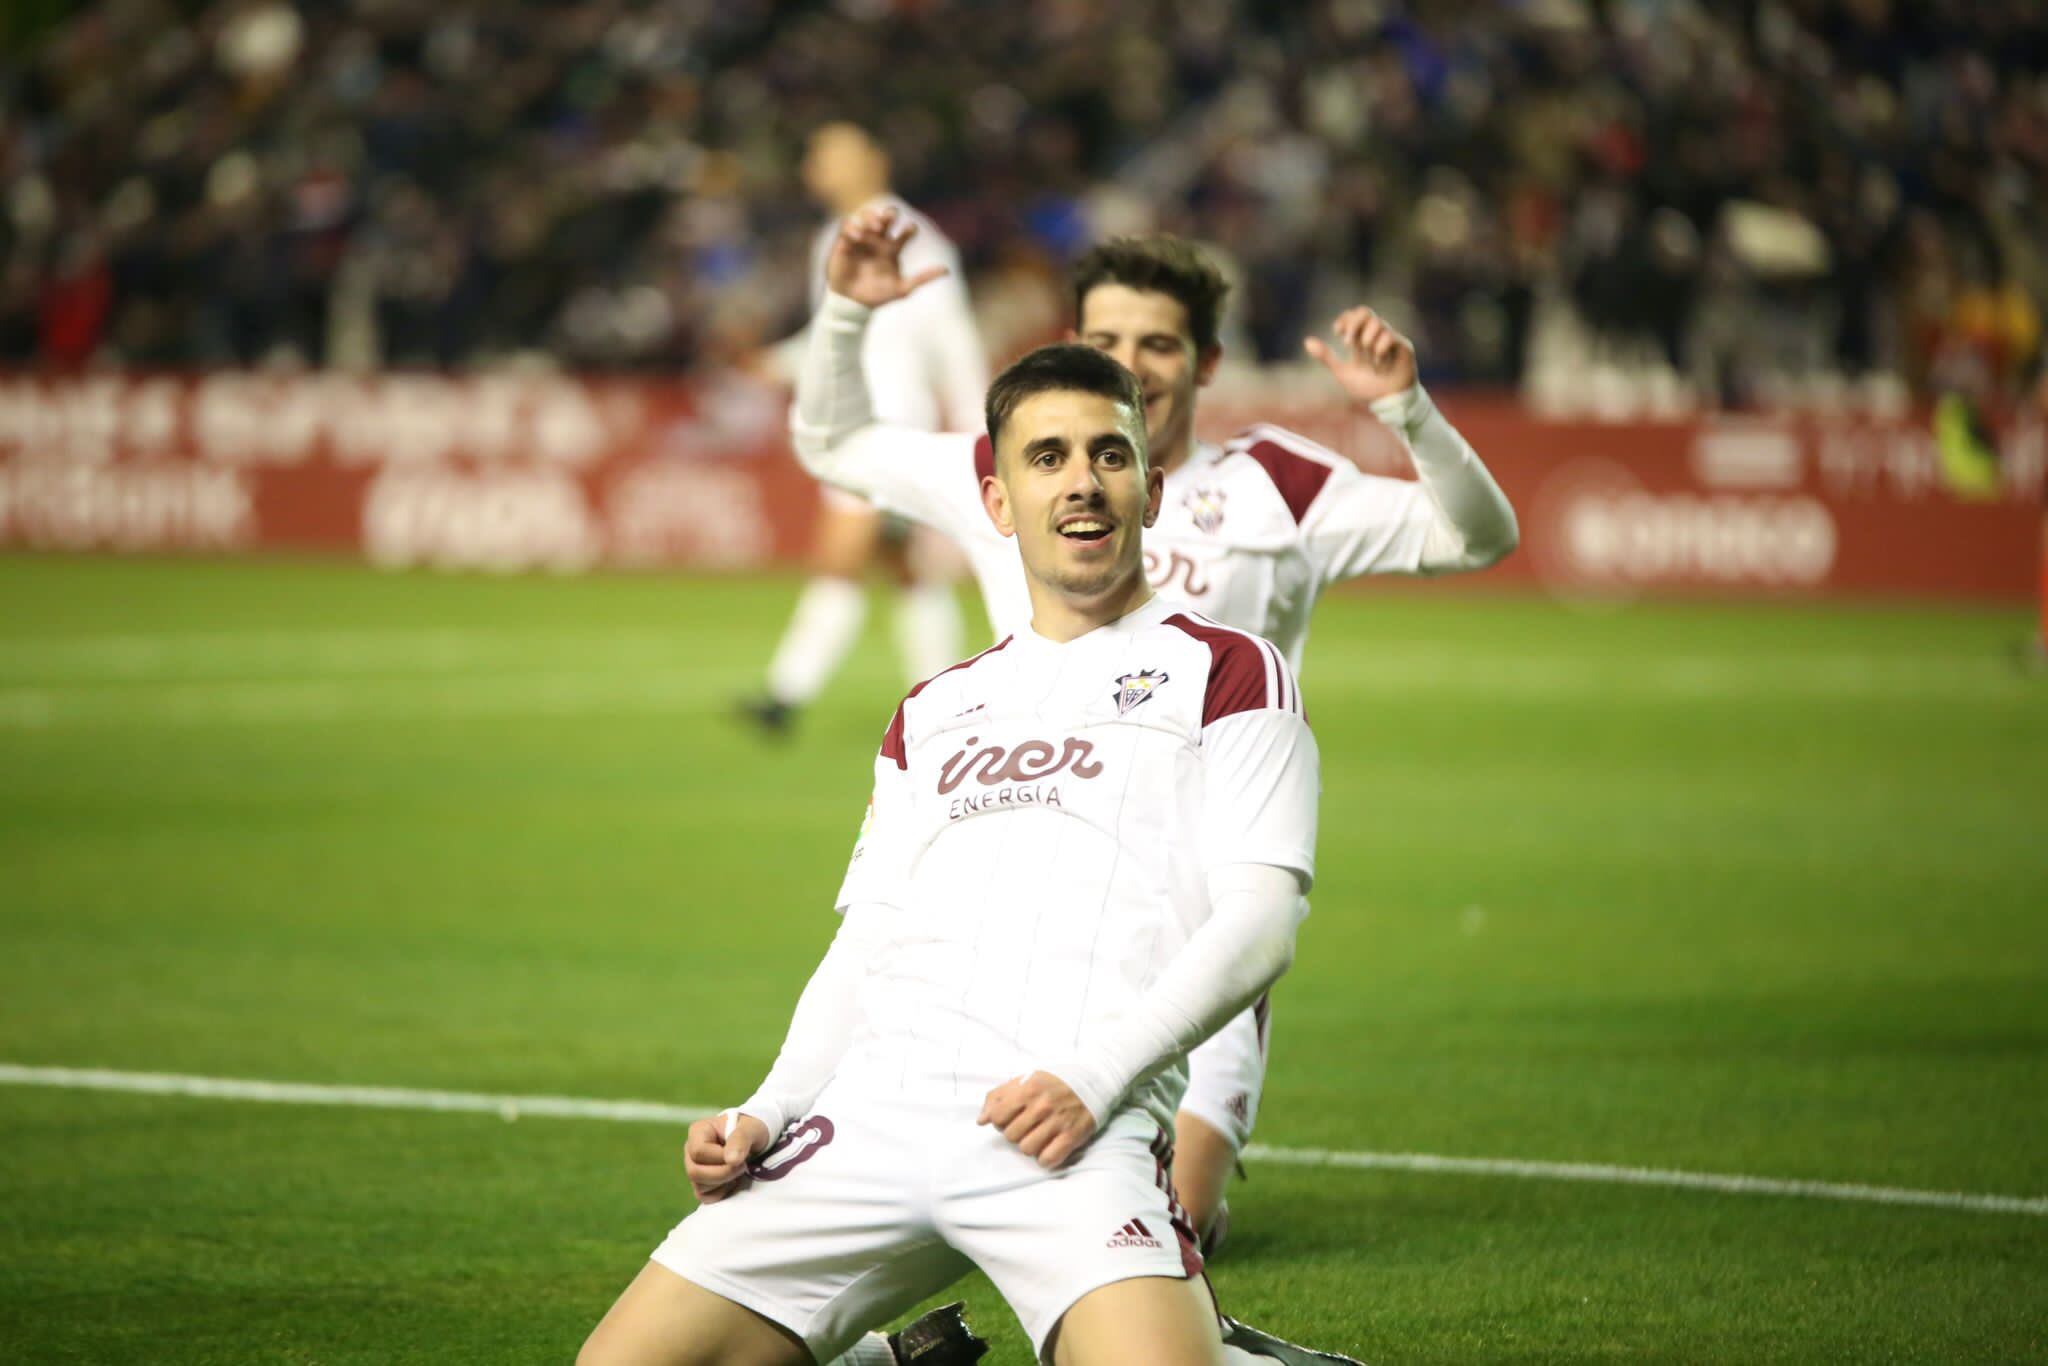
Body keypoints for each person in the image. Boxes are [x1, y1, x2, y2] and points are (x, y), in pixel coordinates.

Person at [581, 344, 1363, 1366]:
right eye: (1045, 458)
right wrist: (768, 1107)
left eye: (1107, 455)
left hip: (1069, 1134)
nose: (1080, 481)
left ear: (1151, 488)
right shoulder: (933, 708)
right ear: (997, 500)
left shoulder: (1226, 671)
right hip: (868, 1125)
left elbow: (1261, 921)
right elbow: (867, 945)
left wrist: (1095, 1078)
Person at [791, 206, 1519, 1248]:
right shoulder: (1014, 468)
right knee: (957, 1180)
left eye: (1157, 343)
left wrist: (1408, 412)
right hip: (1022, 896)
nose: (1129, 363)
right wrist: (845, 317)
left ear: (1206, 360)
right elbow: (829, 439)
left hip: (1197, 908)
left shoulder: (1275, 485)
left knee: (1172, 1220)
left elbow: (1474, 533)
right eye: (1103, 342)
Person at [737, 124, 987, 736]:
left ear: (873, 161)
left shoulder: (912, 238)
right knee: (907, 572)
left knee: (839, 558)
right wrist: (777, 361)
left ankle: (784, 696)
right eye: (815, 158)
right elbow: (837, 334)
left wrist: (983, 427)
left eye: (830, 156)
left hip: (886, 428)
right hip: (856, 419)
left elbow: (952, 340)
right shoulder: (834, 234)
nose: (816, 169)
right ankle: (950, 702)